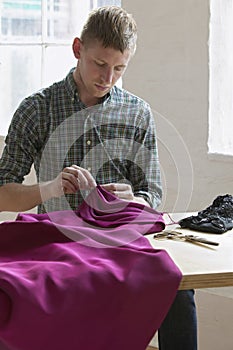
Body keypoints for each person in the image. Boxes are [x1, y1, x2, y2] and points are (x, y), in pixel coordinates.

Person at [0, 6, 197, 350]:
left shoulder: (137, 112)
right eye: (100, 64)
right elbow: (2, 193)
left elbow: (152, 193)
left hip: (118, 240)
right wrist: (48, 189)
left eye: (120, 68)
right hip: (53, 240)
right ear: (78, 49)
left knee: (178, 287)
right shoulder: (37, 109)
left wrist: (132, 201)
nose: (108, 78)